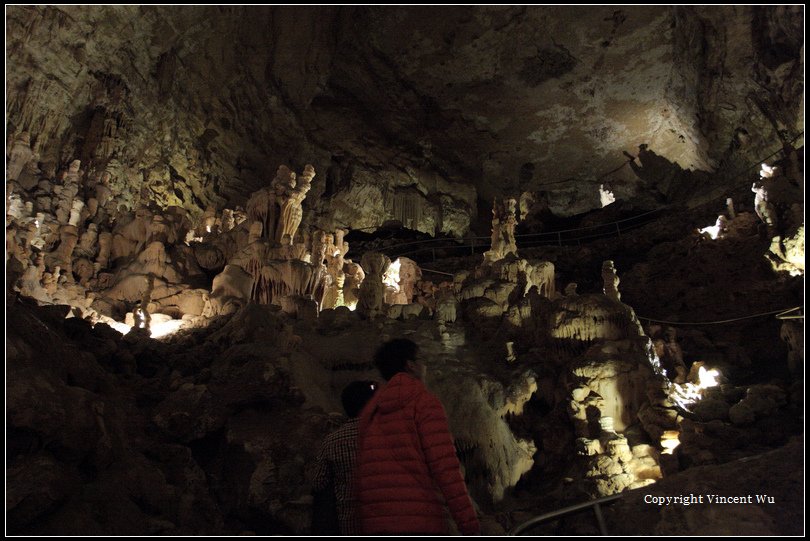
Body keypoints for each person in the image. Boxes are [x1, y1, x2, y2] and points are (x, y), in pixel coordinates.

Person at [355, 338, 480, 535]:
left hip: (376, 525)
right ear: (410, 365)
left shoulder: (370, 413)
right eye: (421, 360)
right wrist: (469, 526)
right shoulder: (423, 403)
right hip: (419, 521)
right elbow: (446, 469)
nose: (424, 366)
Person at [311, 380, 378, 535]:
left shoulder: (333, 440)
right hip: (388, 520)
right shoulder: (389, 435)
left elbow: (318, 483)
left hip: (349, 522)